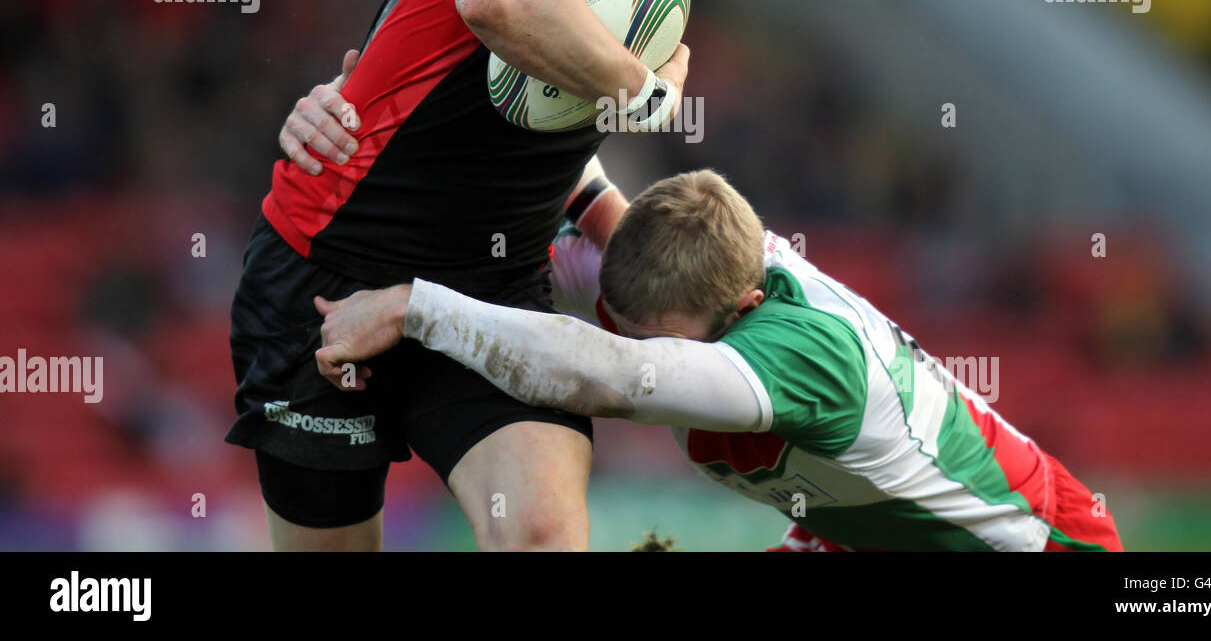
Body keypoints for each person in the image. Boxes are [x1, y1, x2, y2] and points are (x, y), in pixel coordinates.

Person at [226, 0, 817, 551]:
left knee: (541, 537)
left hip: (487, 295)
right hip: (328, 279)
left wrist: (603, 215)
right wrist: (639, 87)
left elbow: (514, 112)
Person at [314, 165, 1124, 552]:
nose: (641, 345)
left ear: (739, 313)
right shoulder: (692, 266)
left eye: (660, 339)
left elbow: (611, 376)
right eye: (624, 324)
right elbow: (582, 190)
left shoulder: (798, 362)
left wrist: (413, 308)